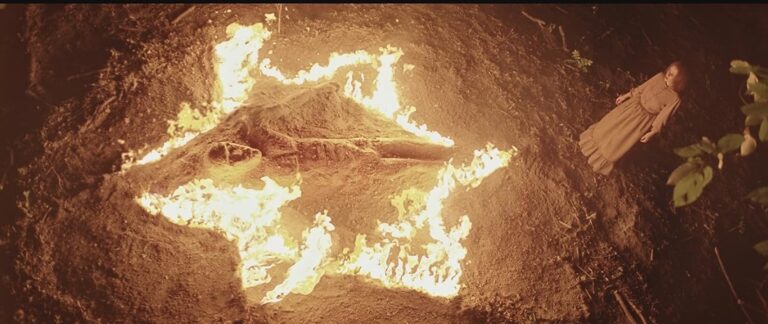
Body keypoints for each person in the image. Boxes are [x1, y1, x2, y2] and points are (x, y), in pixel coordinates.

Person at [579, 61, 688, 175]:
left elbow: (663, 117)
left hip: (641, 120)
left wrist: (653, 132)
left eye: (672, 75)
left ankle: (599, 160)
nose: (668, 74)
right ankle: (591, 146)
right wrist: (626, 96)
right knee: (610, 124)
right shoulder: (659, 77)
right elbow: (641, 89)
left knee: (620, 138)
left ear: (679, 81)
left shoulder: (675, 99)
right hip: (632, 106)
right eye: (669, 71)